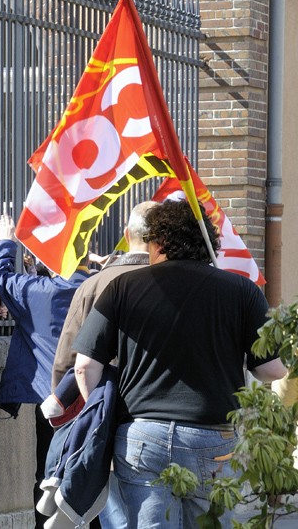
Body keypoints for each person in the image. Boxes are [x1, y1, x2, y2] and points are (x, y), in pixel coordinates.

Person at [71, 200, 287, 529]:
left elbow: (84, 366)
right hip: (212, 439)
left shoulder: (122, 287)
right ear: (210, 244)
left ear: (158, 243)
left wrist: (102, 419)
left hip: (141, 436)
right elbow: (273, 369)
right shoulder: (242, 291)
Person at [46, 201, 157, 529]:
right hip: (161, 418)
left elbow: (68, 361)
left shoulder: (94, 284)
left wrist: (75, 417)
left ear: (126, 235)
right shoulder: (177, 286)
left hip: (104, 418)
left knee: (118, 519)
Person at [0, 213, 91, 528]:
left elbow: (0, 275)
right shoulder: (102, 287)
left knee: (48, 476)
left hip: (53, 400)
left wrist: (7, 240)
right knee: (96, 472)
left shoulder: (38, 292)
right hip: (97, 397)